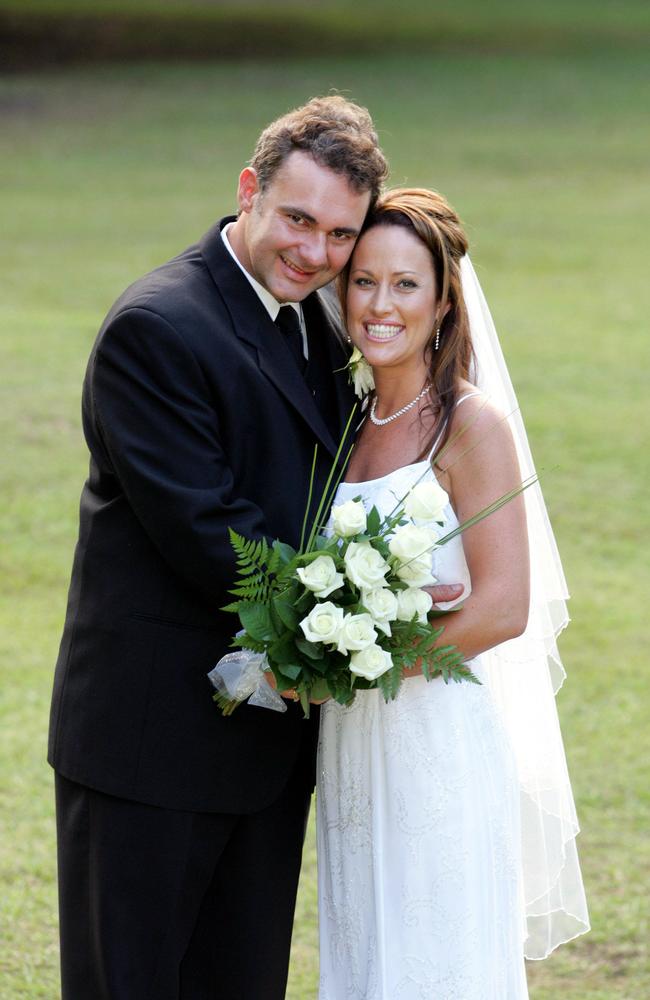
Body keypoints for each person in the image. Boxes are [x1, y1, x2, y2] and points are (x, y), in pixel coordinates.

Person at [47, 95, 409, 1000]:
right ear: (248, 191)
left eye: (338, 234)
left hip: (267, 750)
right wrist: (358, 618)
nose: (315, 253)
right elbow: (210, 535)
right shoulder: (160, 328)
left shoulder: (317, 325)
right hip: (151, 746)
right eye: (296, 219)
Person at [317, 188, 589, 998]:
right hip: (349, 743)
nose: (379, 305)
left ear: (442, 302)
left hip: (432, 731)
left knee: (435, 957)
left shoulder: (470, 425)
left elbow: (503, 606)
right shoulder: (348, 420)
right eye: (363, 281)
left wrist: (368, 665)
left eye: (405, 285)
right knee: (368, 948)